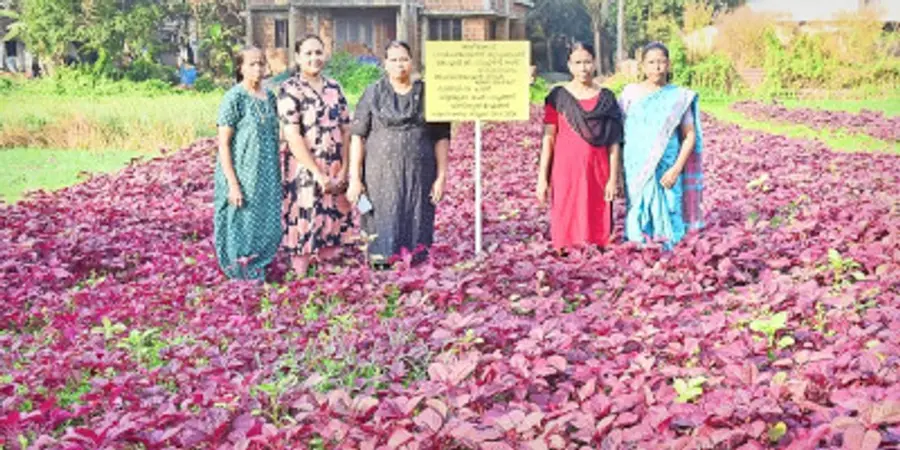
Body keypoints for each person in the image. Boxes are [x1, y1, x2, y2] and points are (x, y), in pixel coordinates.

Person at [346, 41, 451, 267]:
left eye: (403, 59)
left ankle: (416, 269)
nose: (399, 64)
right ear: (385, 64)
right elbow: (357, 136)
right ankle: (381, 270)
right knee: (379, 219)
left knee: (418, 218)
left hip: (420, 174)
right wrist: (354, 178)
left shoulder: (428, 94)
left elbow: (441, 136)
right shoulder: (373, 93)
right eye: (393, 60)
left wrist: (442, 176)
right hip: (379, 175)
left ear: (411, 62)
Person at [278, 34, 354, 276]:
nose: (314, 58)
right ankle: (301, 281)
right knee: (304, 218)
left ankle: (329, 280)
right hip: (304, 168)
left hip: (335, 166)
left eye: (318, 53)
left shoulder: (334, 87)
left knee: (333, 217)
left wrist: (345, 169)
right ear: (298, 57)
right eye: (308, 53)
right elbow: (292, 135)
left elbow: (346, 129)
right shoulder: (289, 89)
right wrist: (316, 173)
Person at [537, 42, 623, 252]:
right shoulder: (558, 97)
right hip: (565, 169)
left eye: (587, 62)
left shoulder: (607, 99)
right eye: (577, 63)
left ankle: (596, 255)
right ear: (569, 65)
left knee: (596, 215)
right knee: (567, 212)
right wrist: (542, 178)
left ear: (594, 64)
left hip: (598, 169)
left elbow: (614, 142)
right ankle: (565, 254)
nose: (583, 68)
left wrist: (613, 178)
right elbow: (549, 138)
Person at [620, 41, 704, 248]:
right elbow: (619, 132)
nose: (657, 67)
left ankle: (670, 254)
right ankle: (638, 252)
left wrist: (676, 169)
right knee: (638, 210)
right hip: (636, 166)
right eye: (651, 62)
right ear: (642, 66)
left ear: (668, 65)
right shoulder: (629, 94)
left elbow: (689, 136)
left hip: (668, 165)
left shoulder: (678, 97)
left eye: (661, 62)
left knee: (669, 207)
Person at [213, 47, 283, 280]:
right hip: (242, 174)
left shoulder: (270, 97)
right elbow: (223, 144)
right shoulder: (234, 97)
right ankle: (240, 277)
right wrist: (233, 184)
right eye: (252, 64)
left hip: (268, 172)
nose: (258, 69)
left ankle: (259, 270)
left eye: (261, 63)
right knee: (241, 224)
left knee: (267, 223)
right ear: (240, 68)